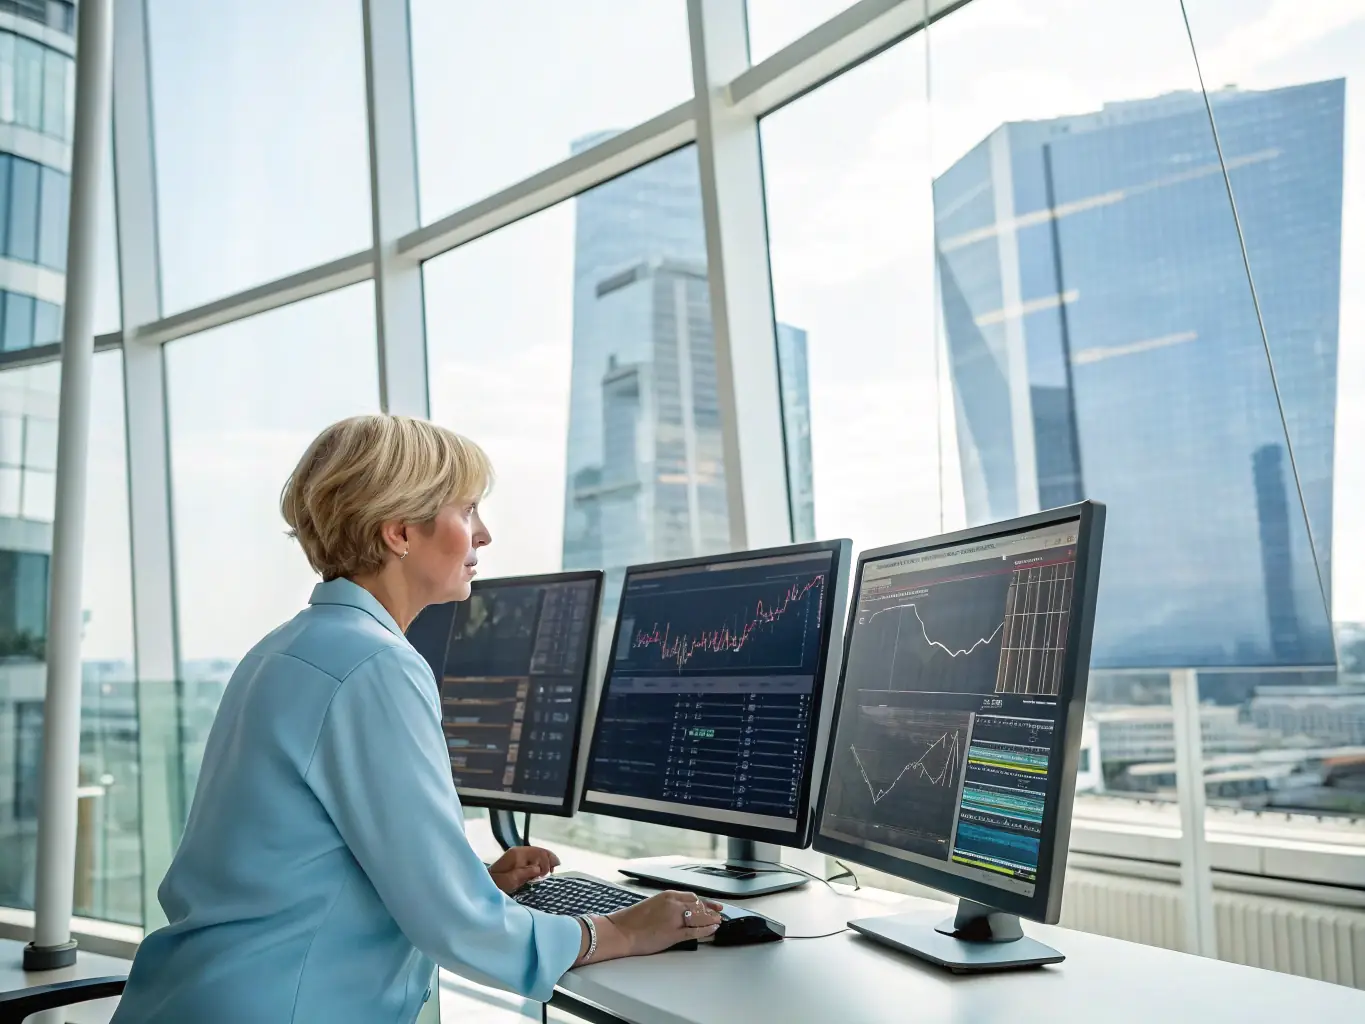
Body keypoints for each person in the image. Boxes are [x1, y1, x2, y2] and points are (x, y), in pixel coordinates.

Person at [111, 414, 723, 1023]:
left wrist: (470, 881)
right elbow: (453, 926)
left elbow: (299, 859)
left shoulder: (285, 647)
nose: (483, 535)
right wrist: (618, 931)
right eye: (467, 511)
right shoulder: (375, 664)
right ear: (401, 532)